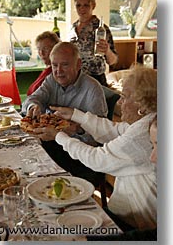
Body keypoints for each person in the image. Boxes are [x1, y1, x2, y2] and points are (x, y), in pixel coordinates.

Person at [33, 66, 157, 231]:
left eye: (124, 97)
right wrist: (75, 115)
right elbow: (114, 130)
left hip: (138, 225)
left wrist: (58, 136)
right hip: (126, 212)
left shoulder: (143, 134)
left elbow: (96, 159)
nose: (119, 102)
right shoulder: (148, 120)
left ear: (142, 105)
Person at [22, 41, 108, 186]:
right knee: (26, 163)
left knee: (34, 171)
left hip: (81, 157)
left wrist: (78, 130)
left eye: (65, 65)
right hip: (55, 146)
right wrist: (33, 106)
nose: (58, 71)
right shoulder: (52, 80)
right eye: (54, 65)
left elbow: (101, 137)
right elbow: (32, 99)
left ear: (78, 64)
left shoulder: (93, 90)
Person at [70, 0, 118, 86]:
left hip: (96, 80)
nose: (82, 9)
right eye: (78, 5)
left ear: (93, 5)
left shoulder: (101, 29)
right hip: (76, 79)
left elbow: (113, 61)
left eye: (86, 5)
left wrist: (107, 51)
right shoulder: (73, 28)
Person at [27, 31, 60, 96]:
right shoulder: (47, 70)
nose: (41, 53)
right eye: (39, 49)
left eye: (46, 48)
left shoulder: (57, 73)